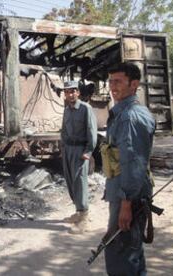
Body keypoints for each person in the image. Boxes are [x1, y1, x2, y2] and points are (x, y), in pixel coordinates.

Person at [103, 62, 155, 275]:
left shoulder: (130, 117)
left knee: (121, 253)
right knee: (130, 251)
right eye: (110, 81)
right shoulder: (124, 113)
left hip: (129, 196)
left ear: (134, 84)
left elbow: (133, 162)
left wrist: (126, 203)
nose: (113, 86)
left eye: (118, 81)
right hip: (125, 193)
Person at [61, 80, 97, 231]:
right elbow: (63, 129)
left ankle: (84, 218)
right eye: (67, 91)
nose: (70, 94)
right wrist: (63, 147)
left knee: (80, 182)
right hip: (68, 149)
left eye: (73, 91)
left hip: (80, 150)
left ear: (78, 92)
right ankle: (78, 211)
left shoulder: (85, 108)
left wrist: (88, 152)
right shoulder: (67, 109)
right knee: (70, 181)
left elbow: (92, 132)